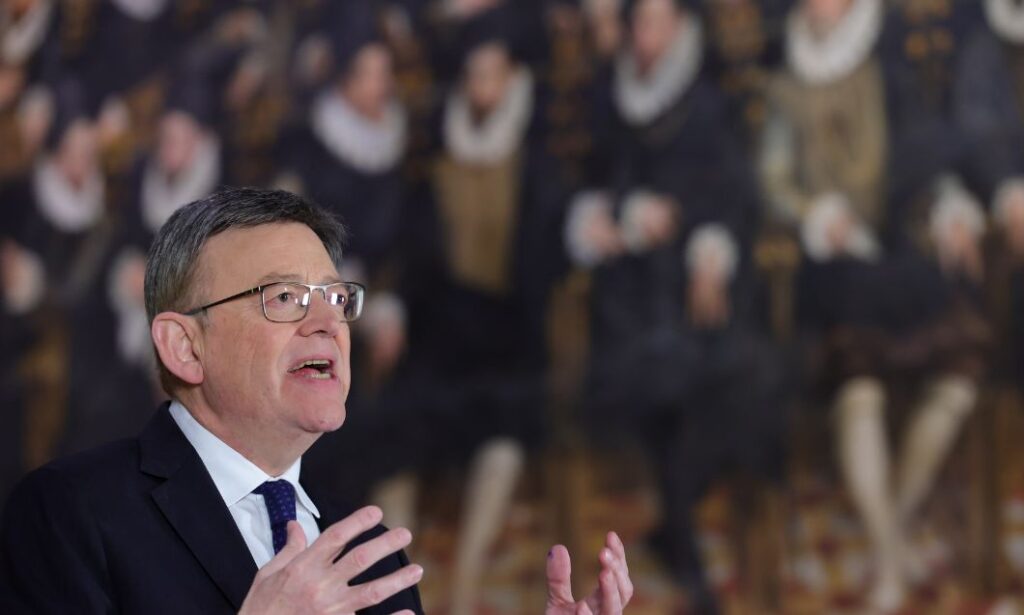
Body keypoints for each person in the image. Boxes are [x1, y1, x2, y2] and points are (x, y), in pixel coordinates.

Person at [0, 186, 634, 615]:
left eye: (336, 298)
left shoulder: (368, 549)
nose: (328, 323)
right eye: (284, 298)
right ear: (184, 346)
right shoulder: (69, 513)